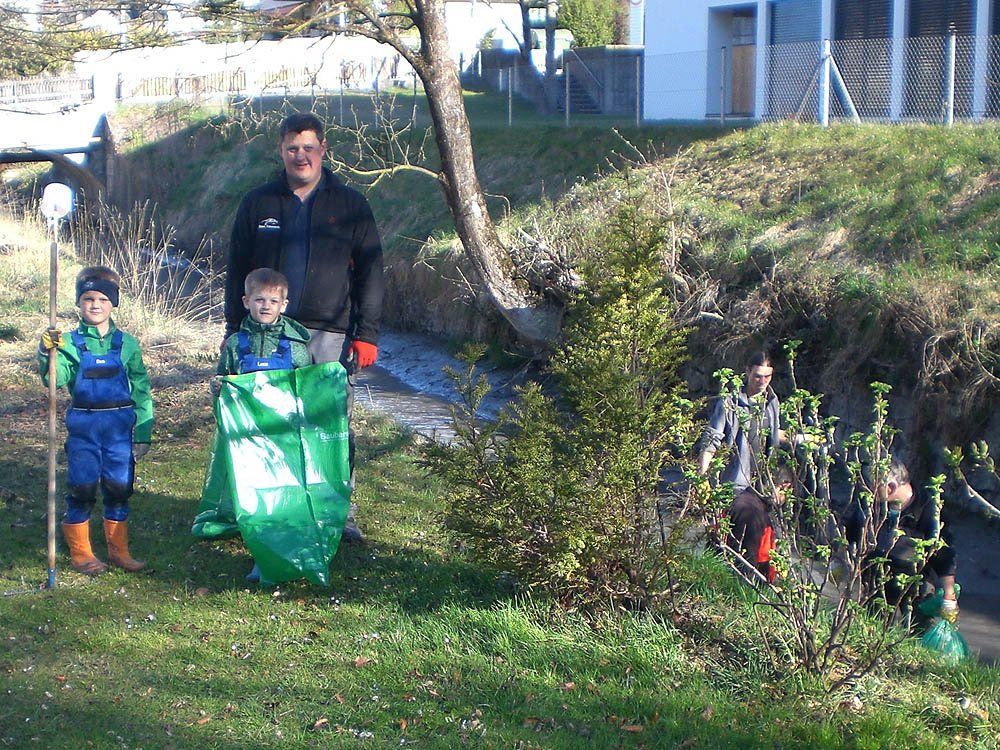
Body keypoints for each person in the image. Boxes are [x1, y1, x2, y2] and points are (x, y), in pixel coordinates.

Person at [225, 112, 383, 543]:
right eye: (292, 148)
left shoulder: (350, 206)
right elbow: (236, 267)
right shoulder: (258, 204)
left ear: (323, 150)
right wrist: (233, 329)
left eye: (308, 148)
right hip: (268, 335)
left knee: (330, 425)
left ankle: (337, 512)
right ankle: (279, 509)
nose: (301, 156)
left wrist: (366, 333)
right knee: (273, 425)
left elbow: (372, 271)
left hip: (330, 333)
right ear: (281, 151)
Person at [38, 266, 153, 575]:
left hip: (118, 429)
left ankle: (119, 551)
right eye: (88, 298)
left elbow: (141, 389)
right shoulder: (69, 343)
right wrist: (47, 352)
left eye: (103, 299)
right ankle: (81, 554)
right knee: (82, 487)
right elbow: (55, 379)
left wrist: (142, 432)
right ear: (79, 302)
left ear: (113, 303)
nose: (95, 305)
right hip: (84, 428)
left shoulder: (127, 344)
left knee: (118, 487)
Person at [214, 268, 311, 582]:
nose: (266, 305)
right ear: (246, 301)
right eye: (259, 299)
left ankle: (286, 550)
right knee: (253, 494)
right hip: (247, 438)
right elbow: (222, 382)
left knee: (282, 494)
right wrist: (218, 390)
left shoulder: (295, 346)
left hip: (283, 438)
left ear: (284, 304)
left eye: (273, 300)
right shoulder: (234, 344)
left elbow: (308, 389)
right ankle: (259, 553)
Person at [846, 457, 959, 622]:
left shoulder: (929, 508)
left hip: (916, 582)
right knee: (871, 627)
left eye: (872, 488)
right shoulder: (869, 505)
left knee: (921, 629)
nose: (868, 492)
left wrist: (949, 596)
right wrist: (840, 562)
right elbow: (851, 532)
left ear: (890, 488)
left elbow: (944, 555)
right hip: (875, 583)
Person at [698, 351, 785, 495]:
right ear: (747, 371)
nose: (762, 381)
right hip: (735, 483)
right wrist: (702, 477)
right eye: (757, 376)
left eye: (767, 376)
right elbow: (712, 438)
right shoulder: (729, 402)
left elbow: (774, 435)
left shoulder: (772, 401)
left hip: (763, 483)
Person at [726, 466, 793, 585]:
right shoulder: (752, 512)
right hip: (740, 585)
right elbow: (746, 562)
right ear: (785, 486)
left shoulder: (744, 499)